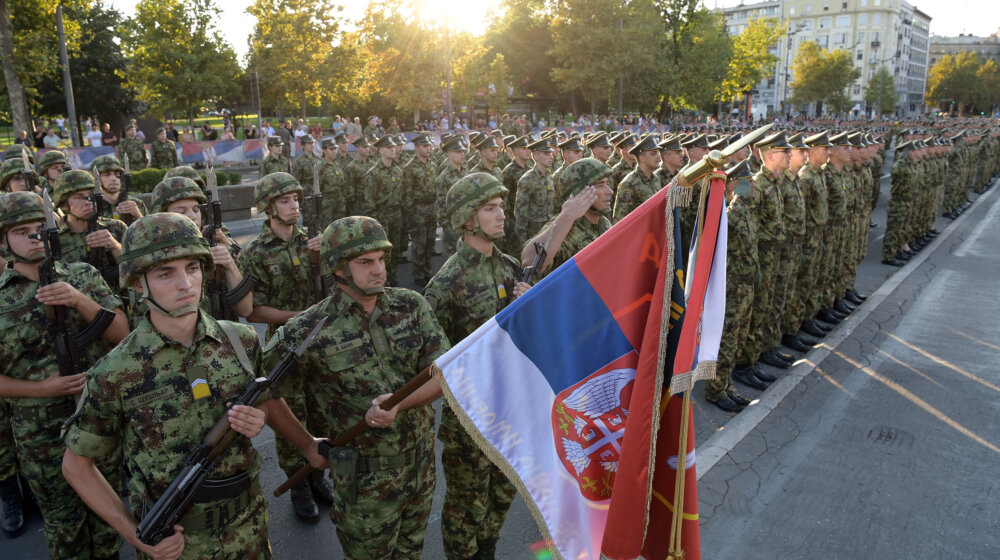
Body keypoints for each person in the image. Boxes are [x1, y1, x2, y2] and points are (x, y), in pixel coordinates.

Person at [62, 212, 323, 560]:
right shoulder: (116, 372)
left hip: (249, 530)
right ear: (138, 283)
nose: (186, 283)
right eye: (165, 273)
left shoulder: (240, 340)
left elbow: (266, 396)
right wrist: (136, 536)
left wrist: (306, 444)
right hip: (178, 545)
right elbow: (76, 466)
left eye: (193, 268)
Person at [263, 216, 449, 560]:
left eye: (381, 259)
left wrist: (400, 404)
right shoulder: (307, 331)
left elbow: (442, 375)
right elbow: (266, 393)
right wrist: (305, 444)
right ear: (337, 269)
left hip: (420, 472)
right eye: (365, 262)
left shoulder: (411, 306)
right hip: (364, 486)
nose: (378, 269)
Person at [0, 190, 130, 559]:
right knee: (64, 525)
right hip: (39, 431)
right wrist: (44, 388)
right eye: (21, 230)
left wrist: (78, 300)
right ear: (3, 240)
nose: (34, 236)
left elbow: (122, 332)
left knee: (108, 518)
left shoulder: (82, 275)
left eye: (41, 227)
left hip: (96, 416)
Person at [425, 174, 529, 559]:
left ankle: (487, 548)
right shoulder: (446, 283)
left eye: (501, 206)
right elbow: (430, 362)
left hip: (511, 404)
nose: (502, 214)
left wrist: (529, 305)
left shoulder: (510, 268)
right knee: (466, 502)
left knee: (503, 490)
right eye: (490, 208)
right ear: (468, 219)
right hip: (470, 414)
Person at [239, 172, 333, 521]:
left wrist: (323, 257)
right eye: (284, 201)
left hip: (320, 342)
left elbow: (335, 284)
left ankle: (318, 475)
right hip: (284, 345)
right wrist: (298, 316)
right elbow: (250, 310)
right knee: (291, 415)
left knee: (321, 408)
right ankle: (298, 485)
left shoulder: (312, 241)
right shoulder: (255, 252)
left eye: (296, 199)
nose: (294, 206)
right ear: (268, 208)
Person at [150, 176, 253, 319]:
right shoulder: (151, 260)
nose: (192, 216)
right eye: (181, 212)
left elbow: (246, 310)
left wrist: (230, 265)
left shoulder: (220, 251)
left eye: (196, 209)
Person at [707, 160, 758, 412]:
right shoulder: (732, 211)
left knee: (737, 339)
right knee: (726, 341)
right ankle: (715, 390)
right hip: (733, 287)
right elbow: (726, 228)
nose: (754, 185)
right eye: (748, 181)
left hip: (746, 285)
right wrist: (736, 198)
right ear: (736, 185)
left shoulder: (747, 210)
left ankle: (726, 385)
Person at [521, 157, 611, 275]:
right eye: (600, 185)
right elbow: (529, 263)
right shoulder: (564, 227)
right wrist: (566, 216)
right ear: (580, 192)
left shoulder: (603, 222)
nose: (609, 191)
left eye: (607, 183)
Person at [362, 136, 405, 285]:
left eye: (393, 147)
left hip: (396, 215)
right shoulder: (373, 173)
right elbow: (369, 200)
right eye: (388, 147)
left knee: (395, 249)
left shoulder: (398, 170)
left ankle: (392, 277)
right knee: (381, 251)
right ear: (380, 151)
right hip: (382, 215)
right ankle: (382, 280)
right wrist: (374, 222)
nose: (393, 149)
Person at [402, 133, 438, 287]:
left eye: (430, 145)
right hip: (418, 210)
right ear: (417, 148)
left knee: (430, 243)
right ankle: (418, 274)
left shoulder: (433, 165)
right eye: (425, 146)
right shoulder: (409, 167)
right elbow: (407, 193)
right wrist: (412, 213)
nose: (429, 148)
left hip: (431, 208)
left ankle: (428, 272)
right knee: (419, 244)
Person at [513, 137, 556, 244]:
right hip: (534, 234)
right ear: (535, 156)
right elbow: (520, 215)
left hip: (549, 231)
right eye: (546, 154)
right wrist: (525, 243)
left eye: (551, 154)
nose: (551, 157)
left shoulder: (549, 177)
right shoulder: (527, 179)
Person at [612, 134, 662, 223]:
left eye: (658, 152)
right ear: (642, 157)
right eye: (653, 153)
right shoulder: (629, 183)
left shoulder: (656, 180)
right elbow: (619, 221)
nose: (658, 156)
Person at [434, 135, 469, 255]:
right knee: (454, 259)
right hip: (452, 225)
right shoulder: (443, 178)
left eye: (463, 151)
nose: (462, 154)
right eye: (458, 151)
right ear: (449, 154)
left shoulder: (466, 172)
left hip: (468, 222)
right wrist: (446, 228)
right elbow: (441, 205)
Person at [91, 155, 147, 226]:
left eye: (116, 174)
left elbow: (151, 234)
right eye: (107, 175)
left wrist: (137, 214)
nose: (113, 178)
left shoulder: (136, 203)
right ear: (96, 178)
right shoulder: (91, 207)